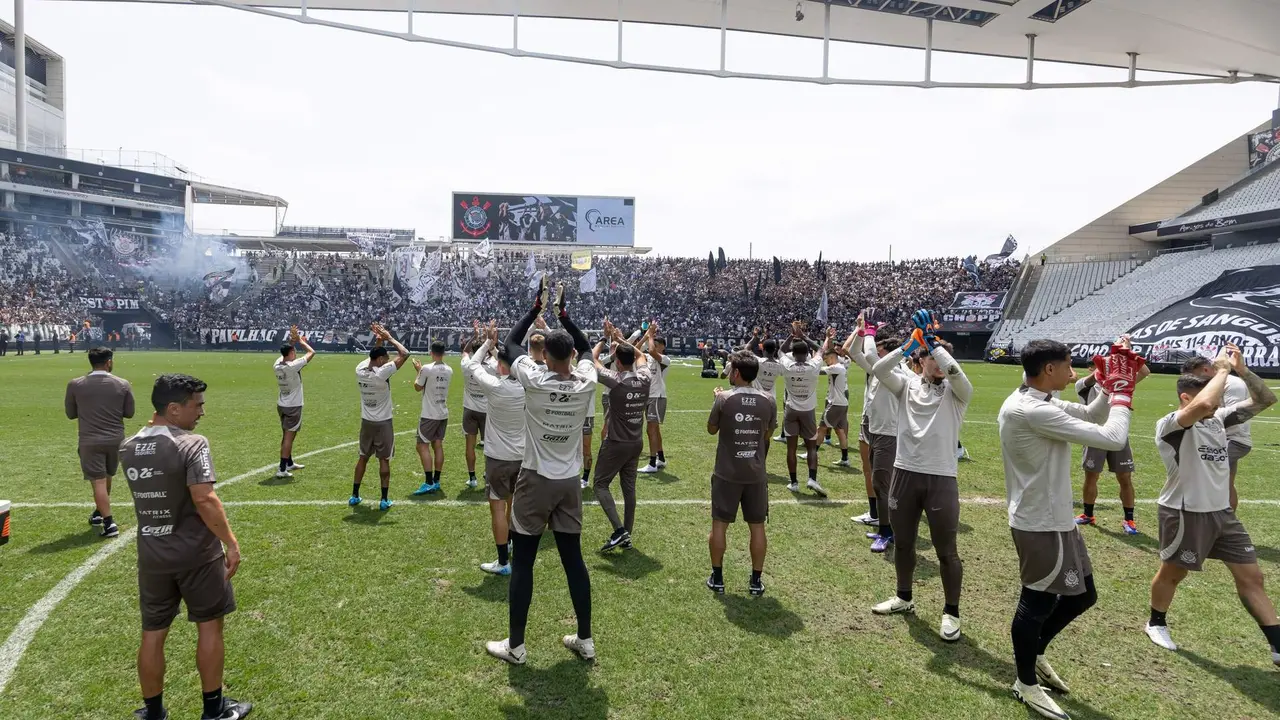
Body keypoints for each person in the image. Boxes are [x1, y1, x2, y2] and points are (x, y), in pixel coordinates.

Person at [999, 340, 1137, 720]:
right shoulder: (1031, 409)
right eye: (1068, 365)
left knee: (1083, 596)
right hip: (1039, 521)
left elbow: (1093, 415)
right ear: (1048, 371)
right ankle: (1025, 683)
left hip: (1055, 518)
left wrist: (1109, 383)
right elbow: (1112, 437)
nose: (1073, 371)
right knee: (1037, 602)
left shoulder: (1038, 400)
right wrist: (1123, 393)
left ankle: (1035, 652)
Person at [120, 373, 251, 720]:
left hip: (152, 555)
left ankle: (152, 712)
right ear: (174, 409)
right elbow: (205, 498)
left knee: (152, 634)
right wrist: (231, 543)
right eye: (197, 405)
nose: (202, 413)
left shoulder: (128, 446)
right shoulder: (193, 444)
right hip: (196, 554)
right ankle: (214, 710)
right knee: (209, 626)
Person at [1145, 344, 1280, 667]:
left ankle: (1277, 645)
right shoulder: (1172, 424)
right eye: (1210, 397)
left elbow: (1265, 400)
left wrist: (1242, 371)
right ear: (1185, 398)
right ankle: (1156, 622)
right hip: (1186, 512)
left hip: (1222, 514)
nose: (1216, 403)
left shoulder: (1218, 419)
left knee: (1252, 577)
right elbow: (1205, 401)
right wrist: (1221, 370)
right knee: (1173, 573)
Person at [486, 281, 597, 666]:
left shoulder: (532, 378)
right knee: (573, 561)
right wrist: (564, 314)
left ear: (546, 356)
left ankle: (516, 646)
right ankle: (585, 639)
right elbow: (585, 348)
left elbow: (510, 345)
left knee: (525, 562)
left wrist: (536, 307)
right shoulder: (588, 381)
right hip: (569, 483)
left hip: (535, 479)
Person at [869, 310, 971, 642]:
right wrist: (909, 344)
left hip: (941, 478)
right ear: (919, 359)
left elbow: (960, 378)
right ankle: (904, 597)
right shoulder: (907, 385)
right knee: (905, 543)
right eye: (930, 356)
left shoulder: (956, 393)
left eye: (942, 356)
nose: (939, 362)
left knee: (947, 551)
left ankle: (951, 612)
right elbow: (879, 368)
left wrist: (935, 344)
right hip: (905, 474)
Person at [706, 351, 777, 597]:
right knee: (757, 527)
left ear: (736, 373)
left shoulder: (724, 398)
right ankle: (756, 581)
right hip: (755, 472)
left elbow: (711, 429)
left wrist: (718, 401)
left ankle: (717, 578)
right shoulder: (769, 400)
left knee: (719, 526)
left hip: (727, 472)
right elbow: (767, 434)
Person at [464, 321, 526, 576]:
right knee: (514, 505)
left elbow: (471, 365)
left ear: (502, 366)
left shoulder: (495, 386)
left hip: (498, 458)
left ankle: (503, 561)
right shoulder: (528, 387)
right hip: (523, 456)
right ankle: (514, 546)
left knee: (498, 507)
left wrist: (489, 342)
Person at [1075, 337, 1149, 534]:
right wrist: (1111, 363)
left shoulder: (1121, 381)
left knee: (1125, 478)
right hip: (1095, 434)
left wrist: (1127, 350)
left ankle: (1129, 520)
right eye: (1095, 366)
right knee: (1091, 477)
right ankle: (1088, 514)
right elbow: (1094, 378)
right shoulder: (1084, 385)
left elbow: (1144, 371)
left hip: (1119, 434)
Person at [847, 315, 906, 552]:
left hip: (889, 433)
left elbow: (869, 355)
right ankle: (885, 527)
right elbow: (855, 352)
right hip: (876, 430)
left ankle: (888, 532)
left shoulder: (896, 372)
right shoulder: (883, 369)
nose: (876, 354)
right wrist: (861, 332)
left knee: (882, 484)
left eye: (881, 351)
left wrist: (870, 332)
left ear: (889, 354)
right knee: (879, 482)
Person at [592, 321, 652, 553]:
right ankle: (627, 533)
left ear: (617, 361)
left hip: (616, 442)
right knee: (629, 490)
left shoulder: (615, 379)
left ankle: (619, 531)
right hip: (636, 442)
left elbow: (592, 362)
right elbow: (642, 358)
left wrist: (604, 338)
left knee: (600, 484)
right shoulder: (644, 378)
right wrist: (623, 341)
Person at [64, 347, 136, 538]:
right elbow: (129, 413)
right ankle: (99, 512)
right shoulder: (123, 384)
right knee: (106, 475)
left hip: (90, 439)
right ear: (109, 362)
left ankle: (109, 523)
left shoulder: (75, 384)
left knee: (98, 481)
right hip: (116, 439)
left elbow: (71, 414)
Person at [1181, 354, 1253, 509]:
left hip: (1233, 439)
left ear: (1205, 369)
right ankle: (1227, 523)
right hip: (1222, 438)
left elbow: (1236, 415)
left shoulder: (1233, 384)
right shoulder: (1213, 384)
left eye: (1194, 378)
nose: (1194, 384)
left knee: (1205, 477)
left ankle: (1215, 518)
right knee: (1227, 483)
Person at [351, 324, 411, 510]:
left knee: (363, 458)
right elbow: (405, 354)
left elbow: (373, 356)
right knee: (384, 460)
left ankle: (354, 495)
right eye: (384, 358)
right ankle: (384, 499)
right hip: (383, 422)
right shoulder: (382, 373)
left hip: (366, 422)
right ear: (379, 360)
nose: (387, 361)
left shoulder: (360, 369)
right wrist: (389, 337)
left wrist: (378, 340)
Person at [779, 322, 825, 496]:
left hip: (791, 409)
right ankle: (812, 478)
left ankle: (794, 482)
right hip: (808, 410)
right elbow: (821, 350)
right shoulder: (813, 367)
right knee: (811, 447)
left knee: (791, 449)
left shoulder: (788, 366)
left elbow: (780, 352)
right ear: (807, 355)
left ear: (794, 354)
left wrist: (791, 335)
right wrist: (804, 336)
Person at [272, 327, 314, 480]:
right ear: (290, 354)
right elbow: (311, 353)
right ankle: (282, 468)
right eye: (293, 352)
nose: (295, 354)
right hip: (293, 406)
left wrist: (292, 340)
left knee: (286, 434)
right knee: (289, 437)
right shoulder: (293, 366)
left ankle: (288, 462)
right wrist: (301, 341)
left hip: (282, 404)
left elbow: (287, 351)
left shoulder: (277, 364)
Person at [412, 340, 453, 495]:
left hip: (429, 414)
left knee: (421, 446)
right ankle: (436, 480)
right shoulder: (449, 369)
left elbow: (417, 387)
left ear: (431, 352)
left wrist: (418, 370)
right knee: (438, 445)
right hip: (443, 412)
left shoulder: (426, 369)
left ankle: (428, 482)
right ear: (444, 352)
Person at [812, 328, 852, 468]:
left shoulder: (836, 367)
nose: (826, 362)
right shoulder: (838, 366)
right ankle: (845, 458)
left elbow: (817, 372)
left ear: (832, 358)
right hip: (842, 403)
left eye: (826, 359)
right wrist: (828, 338)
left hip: (835, 404)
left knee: (821, 428)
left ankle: (812, 453)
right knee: (840, 431)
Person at [460, 333, 493, 490]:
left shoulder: (467, 365)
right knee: (490, 446)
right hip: (487, 410)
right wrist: (489, 339)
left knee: (470, 446)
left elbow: (465, 351)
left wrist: (474, 335)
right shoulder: (492, 366)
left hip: (470, 410)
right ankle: (488, 473)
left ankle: (472, 478)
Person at [637, 325, 672, 475]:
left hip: (657, 397)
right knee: (655, 429)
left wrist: (651, 335)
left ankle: (652, 463)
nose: (654, 345)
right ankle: (661, 458)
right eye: (654, 343)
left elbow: (651, 350)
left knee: (650, 430)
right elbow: (635, 350)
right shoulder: (648, 357)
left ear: (663, 347)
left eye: (657, 344)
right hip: (649, 396)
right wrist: (645, 336)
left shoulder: (665, 360)